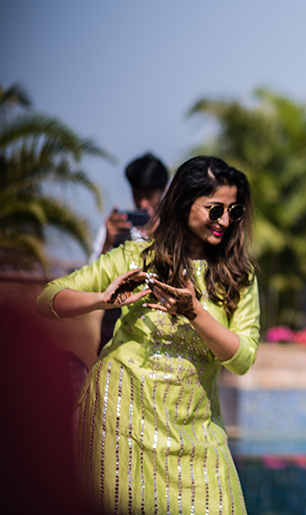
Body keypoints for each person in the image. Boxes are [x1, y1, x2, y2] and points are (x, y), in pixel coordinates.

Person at [37, 156, 260, 514]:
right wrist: (102, 299)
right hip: (121, 419)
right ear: (184, 202)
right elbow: (48, 299)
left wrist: (195, 312)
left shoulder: (237, 276)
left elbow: (243, 358)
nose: (225, 221)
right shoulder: (136, 257)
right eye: (215, 209)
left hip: (197, 431)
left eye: (233, 211)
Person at [93, 153, 170, 353]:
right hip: (114, 337)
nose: (143, 203)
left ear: (163, 190)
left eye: (149, 196)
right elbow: (92, 283)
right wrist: (107, 243)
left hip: (158, 339)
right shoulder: (115, 228)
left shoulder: (175, 231)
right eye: (137, 195)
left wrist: (161, 236)